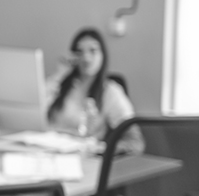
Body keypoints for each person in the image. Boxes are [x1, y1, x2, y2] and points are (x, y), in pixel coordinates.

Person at [46, 26, 144, 155]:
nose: (86, 58)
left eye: (93, 51)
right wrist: (59, 75)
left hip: (83, 155)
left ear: (103, 55)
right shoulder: (61, 84)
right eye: (79, 52)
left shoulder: (110, 91)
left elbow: (135, 143)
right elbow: (37, 113)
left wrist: (103, 149)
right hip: (48, 150)